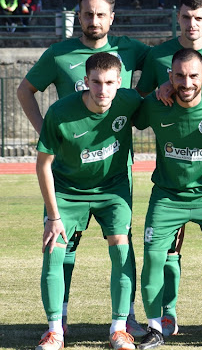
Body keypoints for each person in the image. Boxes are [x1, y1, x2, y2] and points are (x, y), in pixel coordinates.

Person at [17, 0, 151, 340]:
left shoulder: (130, 49)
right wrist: (49, 133)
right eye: (88, 13)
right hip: (69, 173)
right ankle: (58, 322)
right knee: (63, 247)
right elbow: (24, 90)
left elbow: (170, 60)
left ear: (112, 17)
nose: (94, 20)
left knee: (122, 243)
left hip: (113, 174)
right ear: (78, 16)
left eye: (101, 14)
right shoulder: (59, 54)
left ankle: (125, 320)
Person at [137, 0, 202, 339]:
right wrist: (160, 88)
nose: (192, 23)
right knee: (164, 253)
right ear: (177, 18)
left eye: (199, 17)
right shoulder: (157, 55)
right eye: (186, 17)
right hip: (170, 187)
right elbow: (139, 105)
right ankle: (162, 320)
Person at [35, 52, 141, 350]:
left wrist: (165, 89)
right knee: (54, 250)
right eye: (96, 82)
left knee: (121, 249)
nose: (102, 90)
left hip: (112, 190)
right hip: (67, 191)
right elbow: (43, 165)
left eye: (109, 83)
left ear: (119, 83)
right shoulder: (60, 112)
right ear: (85, 81)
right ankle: (55, 331)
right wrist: (53, 217)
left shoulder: (129, 101)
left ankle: (119, 329)